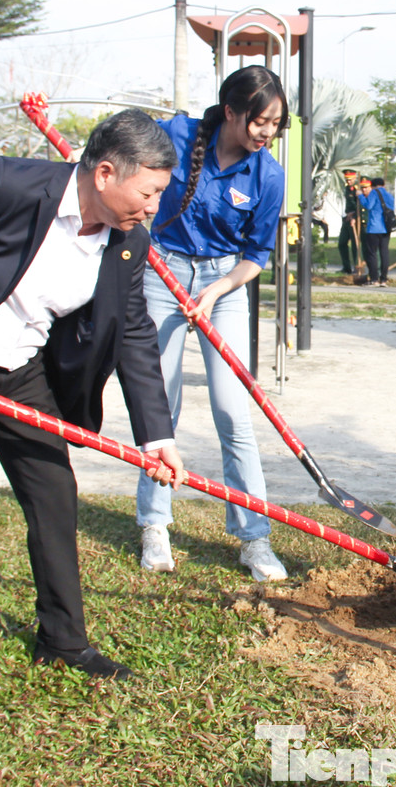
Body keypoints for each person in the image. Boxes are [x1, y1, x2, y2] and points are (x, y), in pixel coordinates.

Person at [0, 109, 187, 722]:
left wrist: (157, 435)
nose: (153, 206)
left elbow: (133, 334)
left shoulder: (129, 241)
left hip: (16, 369)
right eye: (148, 192)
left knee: (53, 492)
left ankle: (63, 641)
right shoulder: (12, 186)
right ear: (105, 173)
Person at [136, 65, 290, 582]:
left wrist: (218, 290)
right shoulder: (175, 135)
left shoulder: (267, 174)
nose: (267, 133)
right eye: (260, 122)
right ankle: (155, 525)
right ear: (231, 111)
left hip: (223, 287)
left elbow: (256, 255)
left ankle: (254, 538)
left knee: (233, 411)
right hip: (162, 273)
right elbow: (125, 165)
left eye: (275, 125)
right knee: (161, 407)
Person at [358, 175, 395, 286]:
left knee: (372, 254)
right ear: (383, 185)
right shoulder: (389, 195)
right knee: (384, 253)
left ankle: (374, 279)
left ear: (373, 186)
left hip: (374, 227)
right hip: (386, 228)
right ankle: (383, 279)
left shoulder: (374, 193)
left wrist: (360, 196)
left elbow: (368, 206)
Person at [337, 168, 362, 273]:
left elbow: (361, 206)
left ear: (355, 178)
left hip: (355, 220)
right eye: (347, 179)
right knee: (341, 243)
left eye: (350, 179)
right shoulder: (347, 189)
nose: (348, 181)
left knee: (355, 245)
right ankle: (346, 267)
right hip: (347, 218)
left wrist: (355, 216)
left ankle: (357, 267)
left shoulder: (358, 189)